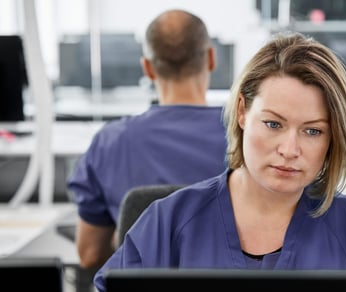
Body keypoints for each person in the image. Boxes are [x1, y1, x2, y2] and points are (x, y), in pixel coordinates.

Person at [93, 31, 346, 291]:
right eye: (273, 124)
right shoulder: (169, 223)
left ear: (332, 139)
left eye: (312, 131)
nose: (289, 149)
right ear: (243, 111)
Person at [67, 9, 227, 270]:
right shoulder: (249, 137)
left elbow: (90, 255)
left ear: (148, 68)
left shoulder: (109, 143)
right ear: (211, 58)